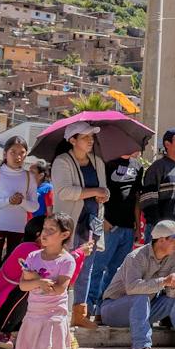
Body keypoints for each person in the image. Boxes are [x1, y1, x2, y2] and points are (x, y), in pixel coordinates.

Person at [97, 220, 175, 349]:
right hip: (113, 310)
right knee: (140, 296)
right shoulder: (136, 257)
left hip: (144, 310)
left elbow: (170, 294)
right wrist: (164, 281)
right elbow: (132, 288)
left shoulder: (172, 258)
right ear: (161, 240)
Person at [14, 213, 85, 349]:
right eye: (44, 229)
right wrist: (37, 281)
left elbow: (61, 288)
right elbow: (22, 285)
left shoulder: (67, 260)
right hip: (34, 312)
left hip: (54, 313)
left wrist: (39, 280)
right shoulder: (33, 257)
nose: (44, 234)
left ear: (65, 234)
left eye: (51, 230)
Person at [53, 125, 118, 327]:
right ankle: (56, 310)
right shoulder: (62, 161)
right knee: (63, 267)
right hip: (70, 224)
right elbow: (64, 191)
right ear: (72, 140)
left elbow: (103, 189)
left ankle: (80, 313)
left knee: (86, 269)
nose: (90, 141)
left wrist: (104, 194)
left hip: (93, 223)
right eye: (85, 137)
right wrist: (95, 191)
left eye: (91, 137)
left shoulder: (97, 162)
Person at [0, 138, 40, 284]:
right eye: (13, 152)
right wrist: (8, 201)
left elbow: (34, 206)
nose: (18, 156)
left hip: (19, 229)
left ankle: (5, 301)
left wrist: (22, 202)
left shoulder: (29, 177)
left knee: (12, 267)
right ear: (5, 154)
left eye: (22, 153)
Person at [140, 128, 175, 230]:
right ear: (167, 144)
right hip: (160, 233)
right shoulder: (157, 168)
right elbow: (148, 201)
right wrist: (160, 228)